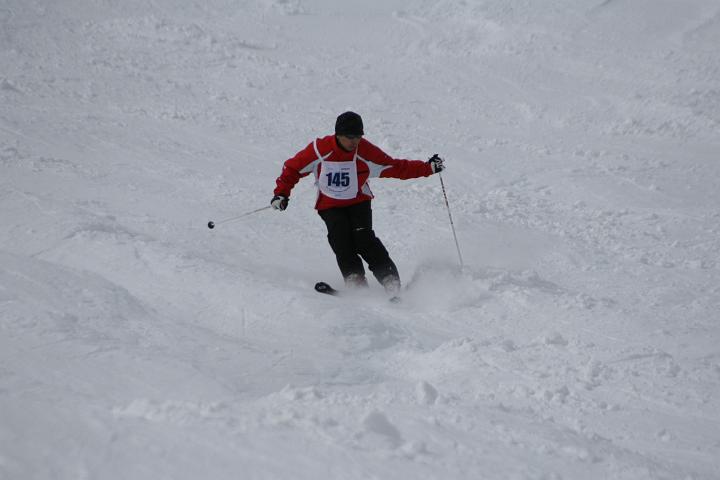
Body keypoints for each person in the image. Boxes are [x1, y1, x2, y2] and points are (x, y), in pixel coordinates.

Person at [271, 111, 445, 294]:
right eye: (350, 137)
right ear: (338, 135)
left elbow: (396, 167)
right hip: (330, 205)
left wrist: (428, 168)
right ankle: (355, 279)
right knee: (340, 238)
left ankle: (389, 278)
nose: (354, 141)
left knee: (364, 238)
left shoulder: (365, 151)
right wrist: (281, 194)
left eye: (358, 137)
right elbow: (292, 168)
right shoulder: (320, 150)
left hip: (358, 202)